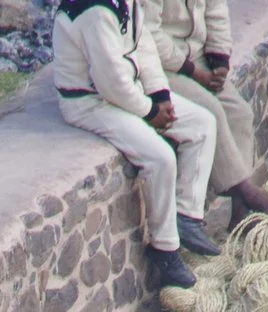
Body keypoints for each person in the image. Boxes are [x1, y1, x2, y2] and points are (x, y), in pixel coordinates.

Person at [53, 0, 217, 293]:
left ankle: (187, 218)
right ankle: (165, 250)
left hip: (128, 92)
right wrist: (149, 112)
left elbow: (144, 47)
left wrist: (160, 95)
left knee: (202, 124)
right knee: (160, 158)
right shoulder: (95, 10)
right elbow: (110, 81)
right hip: (91, 102)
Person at [149, 0, 268, 222]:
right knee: (210, 109)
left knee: (240, 113)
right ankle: (247, 191)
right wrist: (192, 71)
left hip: (198, 58)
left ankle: (239, 215)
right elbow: (149, 35)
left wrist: (219, 59)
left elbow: (216, 12)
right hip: (160, 66)